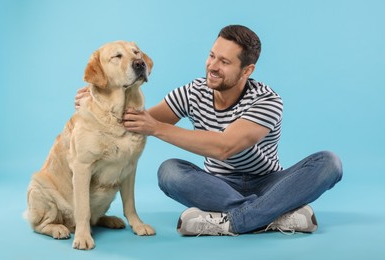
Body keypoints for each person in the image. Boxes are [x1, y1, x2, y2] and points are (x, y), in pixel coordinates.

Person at [75, 25, 343, 236]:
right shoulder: (193, 91)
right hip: (216, 186)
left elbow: (224, 147)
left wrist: (156, 128)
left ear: (247, 70)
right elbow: (137, 121)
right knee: (169, 171)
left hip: (267, 183)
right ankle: (271, 216)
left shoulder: (267, 101)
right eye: (212, 55)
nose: (212, 66)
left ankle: (232, 221)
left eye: (224, 62)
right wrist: (97, 96)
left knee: (329, 162)